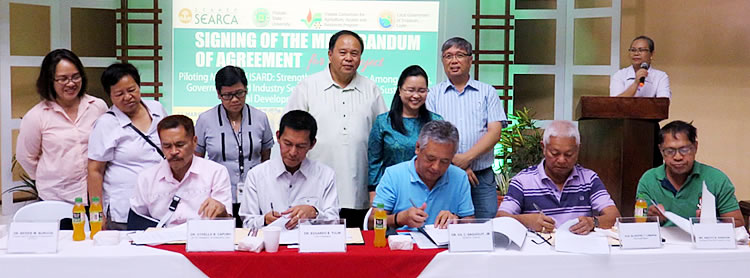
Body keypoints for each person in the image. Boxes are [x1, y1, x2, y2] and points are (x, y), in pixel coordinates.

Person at [286, 30, 387, 228]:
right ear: (330, 54)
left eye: (354, 53)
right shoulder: (308, 87)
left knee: (355, 248)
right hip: (314, 191)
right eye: (343, 52)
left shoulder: (371, 89)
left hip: (358, 190)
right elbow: (289, 132)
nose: (349, 58)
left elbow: (383, 136)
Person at [426, 37, 505, 219]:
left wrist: (466, 159)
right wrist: (457, 164)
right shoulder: (434, 94)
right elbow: (433, 136)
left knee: (485, 226)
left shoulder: (487, 92)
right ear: (442, 61)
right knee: (443, 225)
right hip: (444, 175)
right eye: (448, 56)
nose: (453, 61)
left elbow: (494, 133)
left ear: (470, 60)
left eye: (460, 55)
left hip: (481, 177)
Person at [16, 49, 108, 204]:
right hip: (56, 198)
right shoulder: (37, 116)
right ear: (49, 81)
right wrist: (51, 175)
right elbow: (25, 157)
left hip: (95, 197)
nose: (71, 83)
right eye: (63, 79)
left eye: (75, 77)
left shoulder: (97, 106)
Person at [497, 120, 620, 235]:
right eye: (555, 153)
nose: (561, 160)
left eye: (569, 154)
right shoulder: (523, 181)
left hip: (578, 252)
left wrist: (593, 222)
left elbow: (614, 216)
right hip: (537, 252)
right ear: (543, 148)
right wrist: (525, 221)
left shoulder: (589, 179)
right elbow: (500, 219)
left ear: (578, 150)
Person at [87, 63, 168, 230]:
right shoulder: (106, 123)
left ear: (139, 86)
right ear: (110, 96)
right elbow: (95, 170)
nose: (127, 97)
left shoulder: (157, 109)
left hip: (161, 204)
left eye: (131, 90)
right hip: (123, 208)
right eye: (119, 94)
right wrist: (98, 212)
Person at [195, 65, 274, 227]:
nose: (235, 100)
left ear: (246, 89)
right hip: (218, 196)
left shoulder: (261, 118)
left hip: (254, 196)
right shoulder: (205, 120)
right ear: (218, 94)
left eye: (240, 93)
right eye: (228, 95)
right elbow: (197, 161)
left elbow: (266, 158)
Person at [239, 110, 339, 230]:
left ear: (312, 144)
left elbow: (334, 222)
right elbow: (247, 223)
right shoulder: (257, 175)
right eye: (287, 144)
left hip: (310, 245)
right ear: (278, 137)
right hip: (271, 245)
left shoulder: (325, 175)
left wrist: (315, 213)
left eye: (300, 146)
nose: (293, 152)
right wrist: (264, 220)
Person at [636, 121, 745, 227]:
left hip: (704, 242)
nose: (677, 157)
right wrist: (650, 218)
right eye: (670, 151)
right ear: (661, 150)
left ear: (695, 147)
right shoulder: (649, 179)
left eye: (684, 150)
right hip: (664, 244)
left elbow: (738, 224)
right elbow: (639, 224)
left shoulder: (716, 179)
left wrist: (712, 222)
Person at [130, 115, 231, 227]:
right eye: (167, 146)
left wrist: (222, 212)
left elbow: (226, 224)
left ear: (194, 142)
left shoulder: (215, 172)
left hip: (202, 240)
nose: (173, 152)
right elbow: (137, 222)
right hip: (160, 241)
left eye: (180, 145)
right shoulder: (147, 178)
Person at [371, 120, 474, 229]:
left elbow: (470, 222)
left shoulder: (459, 177)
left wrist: (455, 219)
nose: (436, 167)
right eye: (430, 159)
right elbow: (372, 223)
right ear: (418, 148)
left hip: (443, 244)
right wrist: (399, 219)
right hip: (403, 243)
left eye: (445, 161)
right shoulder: (394, 175)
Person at [367, 65, 442, 203]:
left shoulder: (436, 122)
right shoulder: (383, 122)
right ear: (400, 90)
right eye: (410, 90)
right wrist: (373, 192)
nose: (416, 95)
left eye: (422, 90)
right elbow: (374, 161)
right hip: (390, 190)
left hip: (428, 190)